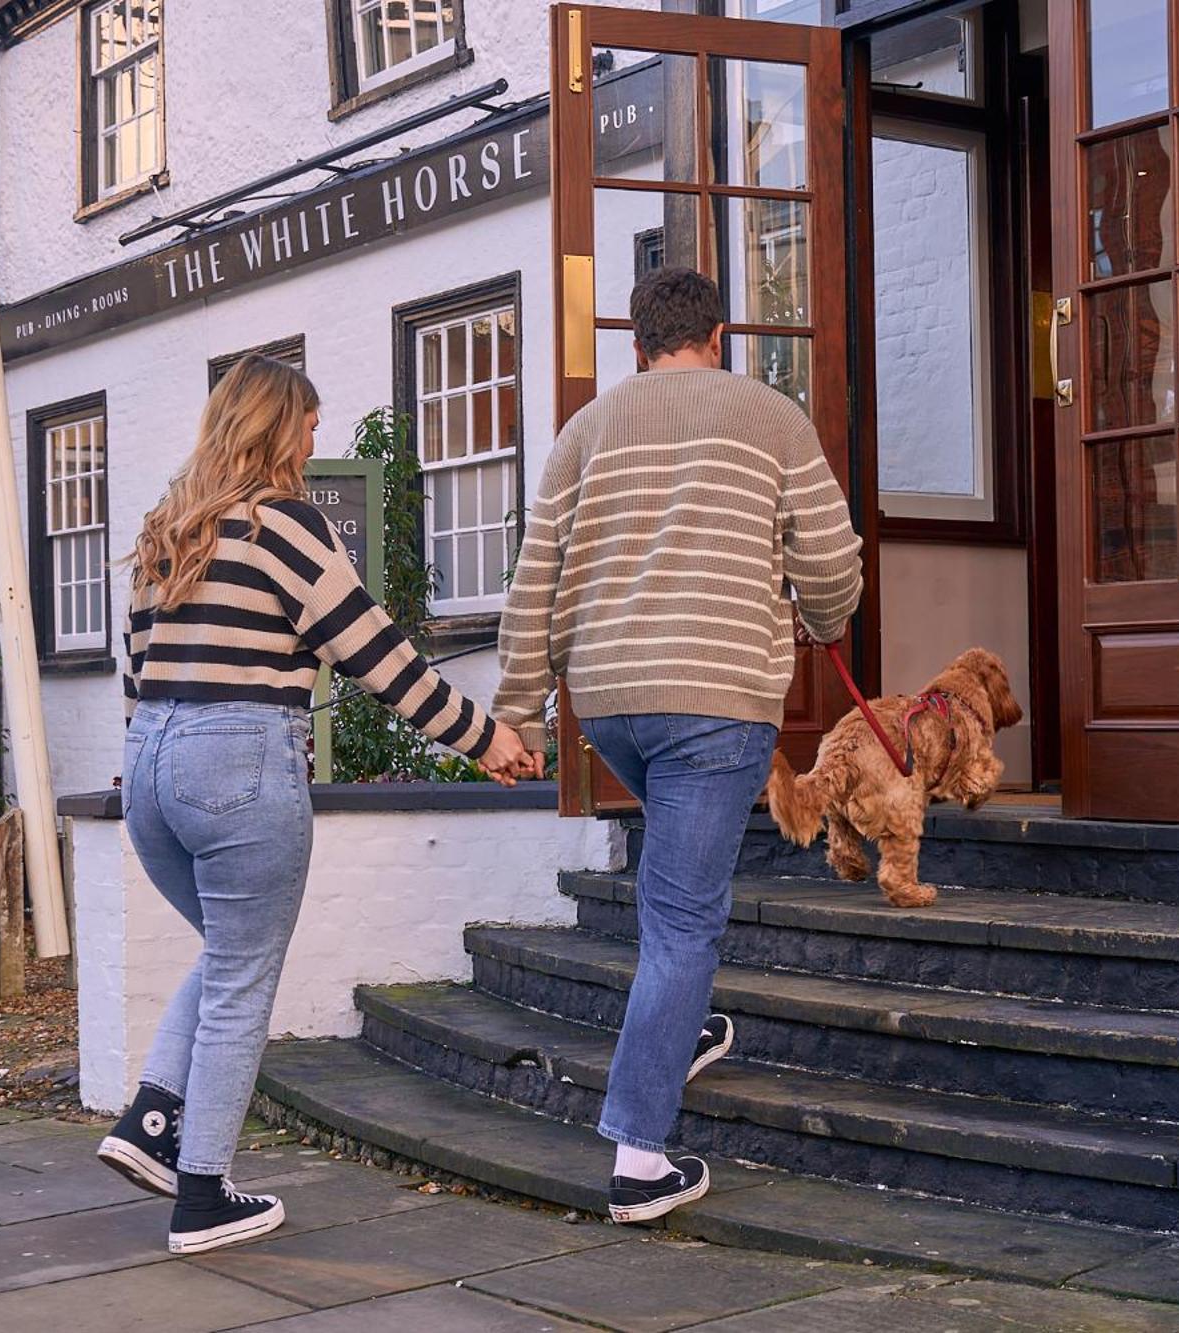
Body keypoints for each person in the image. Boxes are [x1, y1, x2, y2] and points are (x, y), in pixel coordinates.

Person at [97, 356, 533, 1255]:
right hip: (239, 760)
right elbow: (380, 658)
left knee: (228, 951)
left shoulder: (165, 533)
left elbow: (134, 680)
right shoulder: (284, 529)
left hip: (148, 766)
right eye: (305, 424)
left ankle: (149, 1117)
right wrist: (485, 738)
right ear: (271, 428)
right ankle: (203, 1192)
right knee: (243, 977)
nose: (312, 440)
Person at [493, 267, 864, 1224]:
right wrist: (823, 613)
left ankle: (681, 1024)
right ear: (719, 335)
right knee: (685, 919)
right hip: (715, 701)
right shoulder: (770, 417)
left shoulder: (586, 432)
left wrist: (522, 710)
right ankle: (638, 1155)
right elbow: (829, 564)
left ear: (637, 345)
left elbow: (538, 577)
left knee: (674, 893)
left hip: (612, 701)